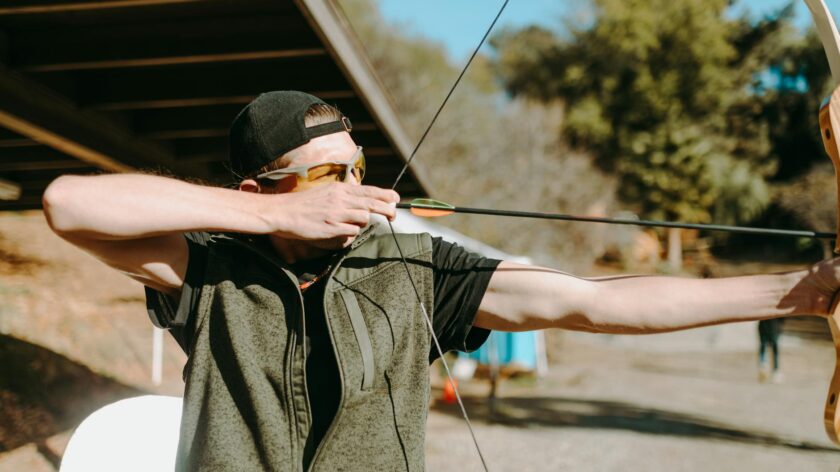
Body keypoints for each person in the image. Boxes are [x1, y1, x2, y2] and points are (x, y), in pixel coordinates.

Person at [42, 91, 840, 471]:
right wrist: (263, 223)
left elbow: (593, 303)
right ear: (258, 191)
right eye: (323, 174)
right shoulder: (209, 265)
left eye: (355, 167)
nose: (352, 185)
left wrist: (803, 290)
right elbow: (68, 204)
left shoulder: (411, 266)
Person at [758, 318, 785, 383]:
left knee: (764, 347)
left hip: (767, 327)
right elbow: (782, 320)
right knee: (774, 350)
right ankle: (775, 370)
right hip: (773, 328)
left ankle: (764, 365)